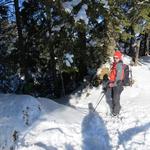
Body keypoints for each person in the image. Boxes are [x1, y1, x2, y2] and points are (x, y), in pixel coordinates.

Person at [109, 50, 124, 116]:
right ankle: (115, 108)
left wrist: (113, 84)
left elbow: (118, 78)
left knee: (116, 98)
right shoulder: (115, 64)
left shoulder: (119, 65)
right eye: (114, 57)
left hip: (117, 84)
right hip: (113, 83)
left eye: (117, 58)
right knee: (113, 97)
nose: (115, 59)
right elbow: (113, 74)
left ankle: (116, 112)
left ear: (119, 58)